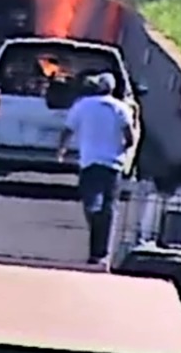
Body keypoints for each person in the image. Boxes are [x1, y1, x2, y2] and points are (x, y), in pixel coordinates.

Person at [58, 71, 136, 266]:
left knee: (91, 203)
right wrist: (123, 150)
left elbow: (67, 130)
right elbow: (130, 137)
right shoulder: (121, 108)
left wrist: (61, 150)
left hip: (90, 162)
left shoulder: (82, 105)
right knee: (109, 207)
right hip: (113, 164)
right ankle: (101, 252)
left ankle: (96, 230)